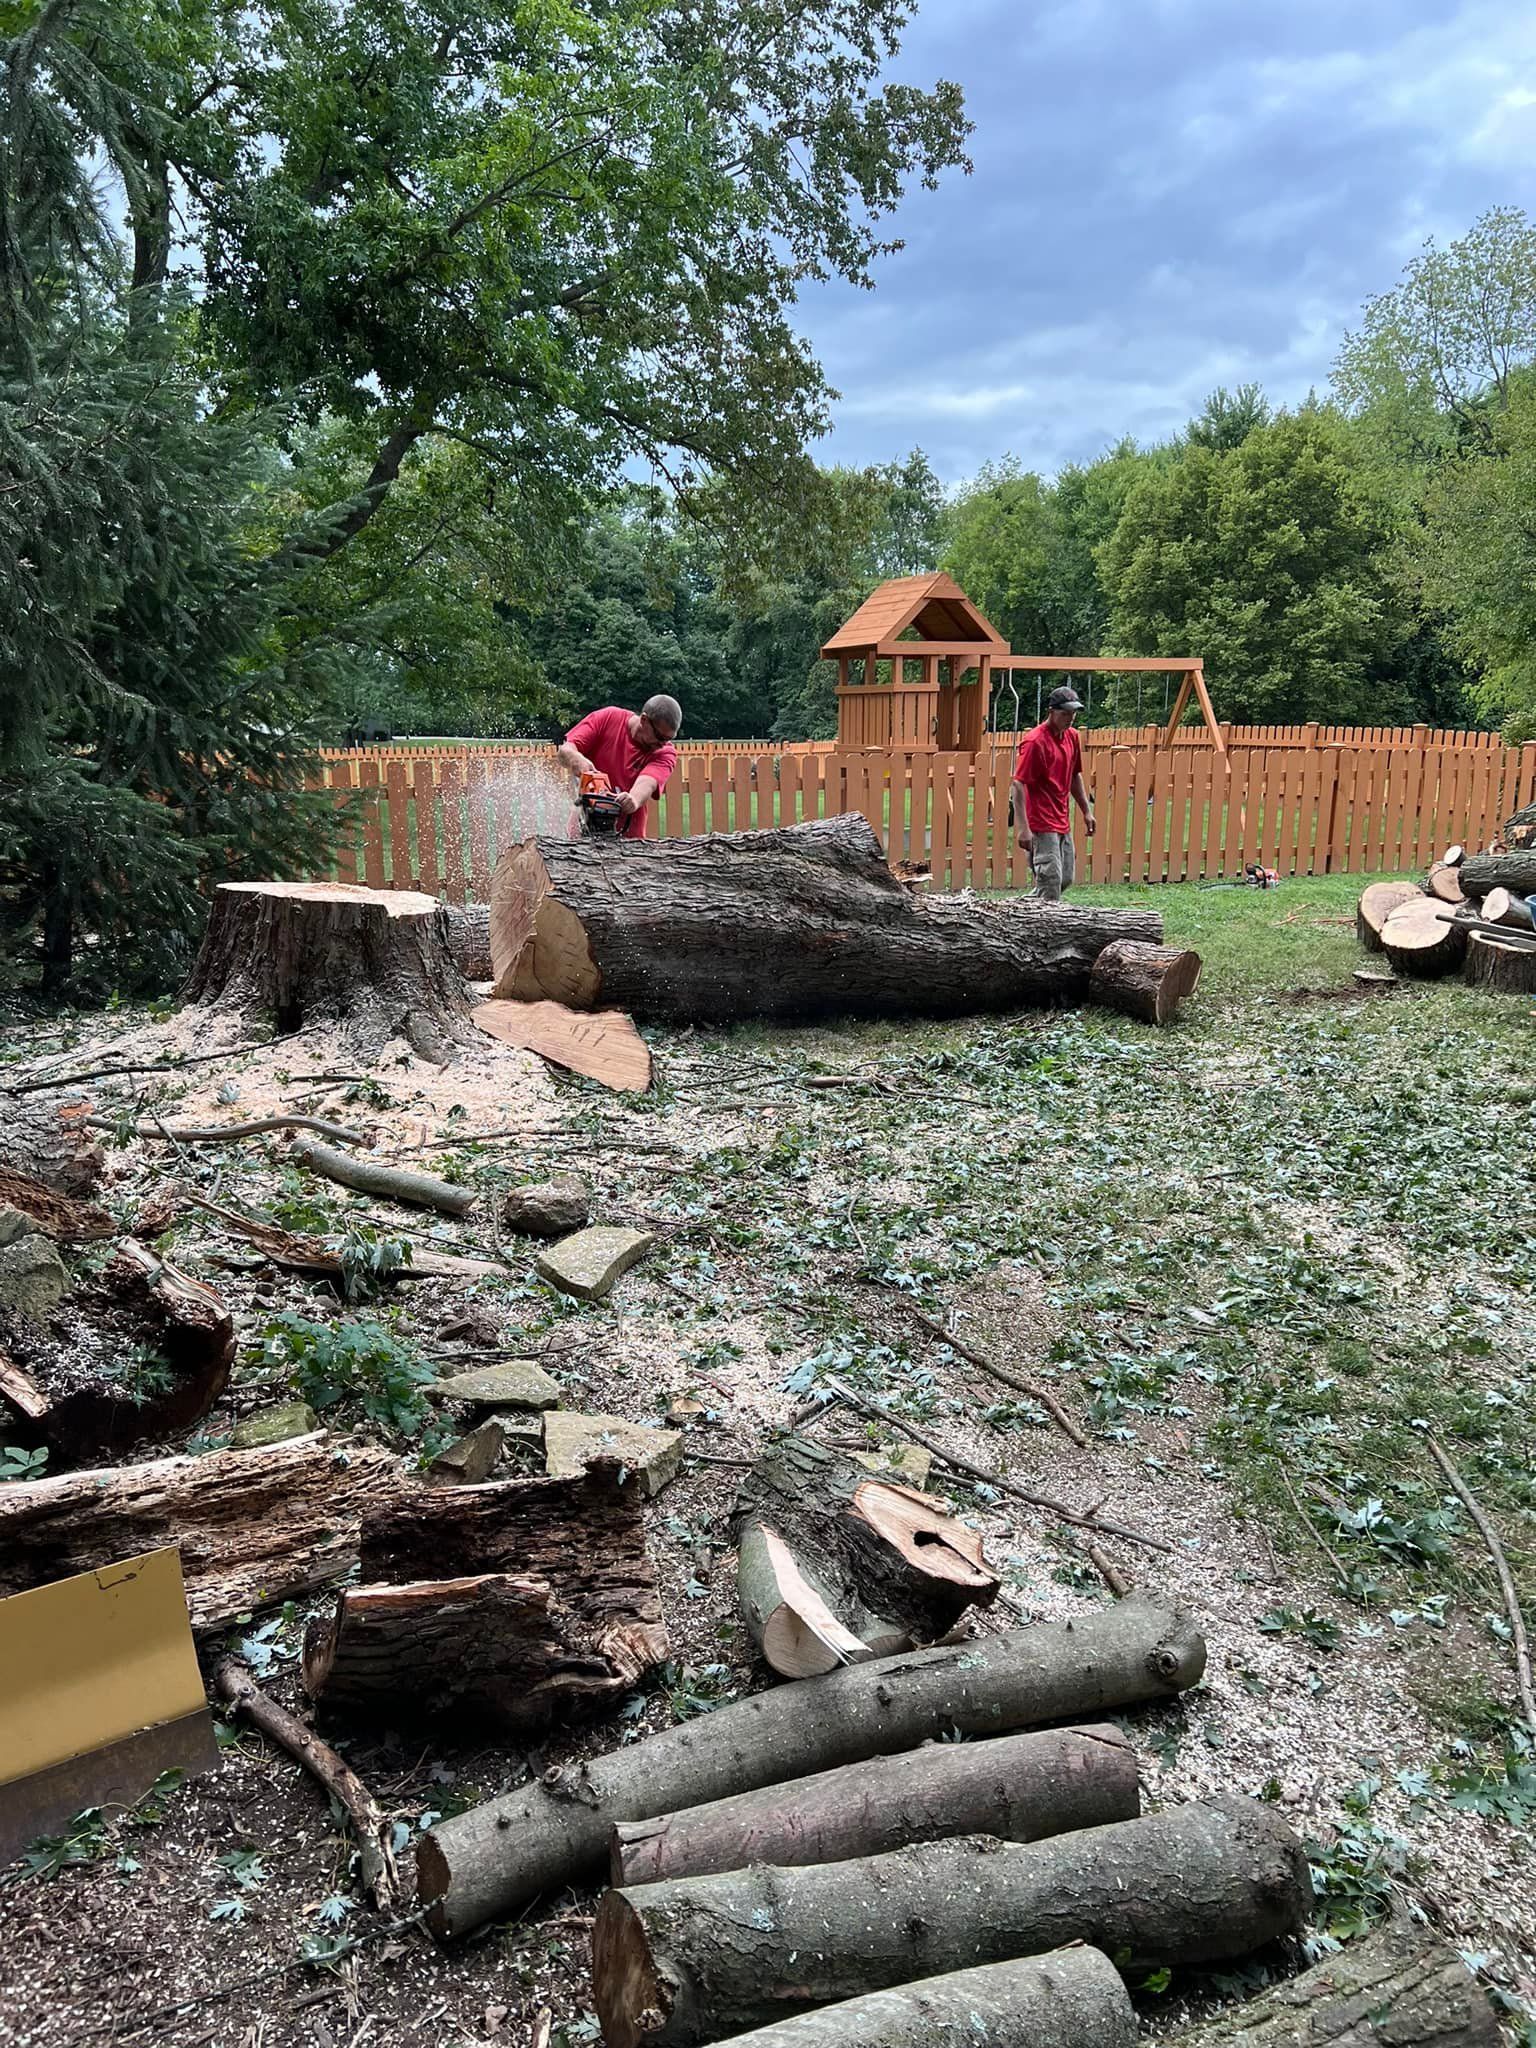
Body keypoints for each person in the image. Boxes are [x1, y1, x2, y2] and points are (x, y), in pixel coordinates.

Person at [556, 695, 682, 839]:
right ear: (644, 720)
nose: (663, 744)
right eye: (660, 737)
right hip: (581, 832)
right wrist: (576, 760)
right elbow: (565, 751)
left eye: (669, 739)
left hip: (629, 841)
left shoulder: (666, 753)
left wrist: (633, 799)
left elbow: (648, 783)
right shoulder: (608, 718)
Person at [1011, 684, 1095, 900]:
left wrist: (1086, 811)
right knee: (1050, 882)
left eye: (1073, 714)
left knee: (1065, 878)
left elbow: (1074, 775)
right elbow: (1018, 784)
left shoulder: (1072, 737)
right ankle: (1043, 930)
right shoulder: (1035, 742)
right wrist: (1023, 828)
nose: (1070, 718)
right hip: (1040, 822)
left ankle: (1020, 909)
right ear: (1051, 712)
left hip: (1062, 820)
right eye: (1065, 713)